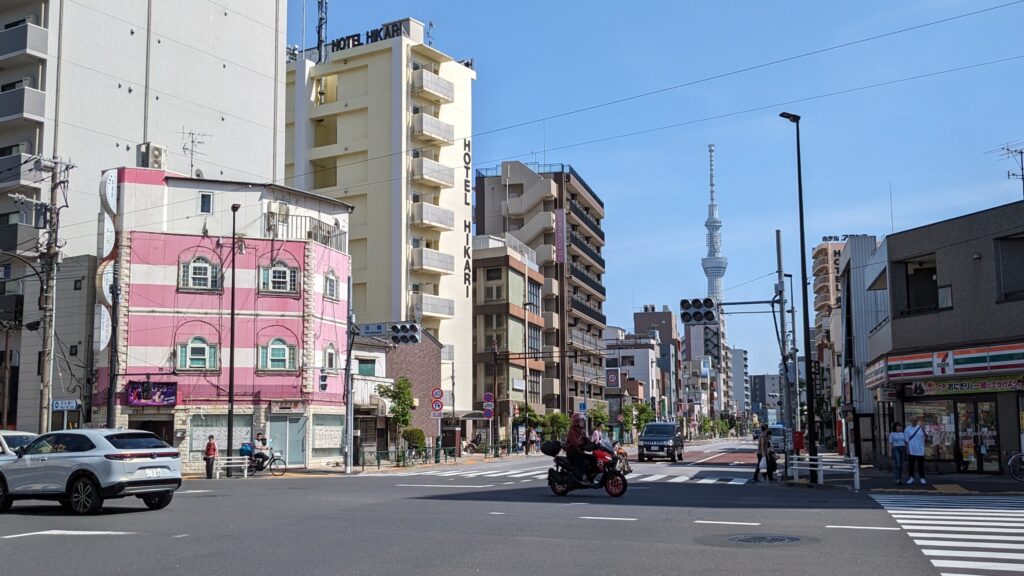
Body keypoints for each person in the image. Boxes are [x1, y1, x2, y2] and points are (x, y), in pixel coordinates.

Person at [564, 412, 596, 482]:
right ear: (576, 422)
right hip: (573, 453)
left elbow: (586, 440)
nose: (583, 423)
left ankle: (592, 475)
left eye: (583, 421)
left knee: (593, 458)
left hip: (579, 452)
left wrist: (594, 445)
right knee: (582, 462)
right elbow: (575, 443)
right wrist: (584, 446)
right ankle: (583, 478)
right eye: (581, 421)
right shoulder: (572, 432)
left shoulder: (582, 431)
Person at [905, 417, 926, 484]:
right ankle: (911, 477)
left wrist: (923, 430)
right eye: (913, 420)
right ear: (910, 421)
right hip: (912, 449)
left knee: (921, 465)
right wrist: (907, 449)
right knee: (911, 465)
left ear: (917, 421)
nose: (914, 421)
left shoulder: (920, 428)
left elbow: (926, 437)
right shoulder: (907, 429)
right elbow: (906, 440)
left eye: (915, 420)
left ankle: (922, 478)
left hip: (920, 450)